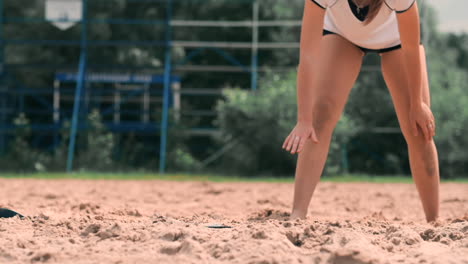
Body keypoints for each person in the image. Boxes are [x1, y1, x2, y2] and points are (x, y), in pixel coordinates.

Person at [282, 0, 439, 222]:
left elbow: (411, 47)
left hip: (397, 41)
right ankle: (298, 213)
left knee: (419, 130)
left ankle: (433, 221)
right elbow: (308, 56)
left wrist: (417, 104)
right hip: (343, 36)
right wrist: (303, 119)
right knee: (320, 117)